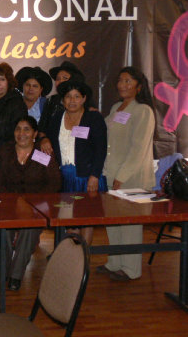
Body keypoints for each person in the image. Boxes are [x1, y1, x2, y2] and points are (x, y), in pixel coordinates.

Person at [99, 67, 155, 281]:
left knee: (130, 224)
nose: (123, 85)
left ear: (138, 86)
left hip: (132, 178)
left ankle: (131, 269)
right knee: (113, 222)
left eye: (128, 81)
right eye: (120, 80)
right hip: (112, 174)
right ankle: (115, 263)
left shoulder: (143, 111)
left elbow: (137, 149)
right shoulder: (115, 108)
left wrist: (121, 176)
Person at [0, 116, 61, 290]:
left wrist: (33, 203)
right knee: (5, 232)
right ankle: (3, 271)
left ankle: (16, 274)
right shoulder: (6, 151)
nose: (21, 133)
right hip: (9, 204)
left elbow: (54, 182)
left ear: (35, 133)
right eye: (18, 129)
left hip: (36, 207)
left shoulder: (41, 153)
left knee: (29, 230)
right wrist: (10, 203)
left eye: (26, 129)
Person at [45, 79, 108, 244]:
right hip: (65, 178)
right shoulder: (57, 117)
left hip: (87, 177)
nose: (72, 101)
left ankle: (83, 262)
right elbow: (46, 134)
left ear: (84, 99)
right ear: (63, 100)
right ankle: (70, 258)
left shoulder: (93, 118)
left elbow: (101, 149)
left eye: (77, 96)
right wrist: (44, 139)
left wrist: (94, 176)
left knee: (86, 221)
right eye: (68, 97)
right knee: (69, 222)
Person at [39, 61, 87, 135]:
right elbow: (42, 128)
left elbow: (88, 132)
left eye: (65, 78)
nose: (61, 81)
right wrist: (44, 139)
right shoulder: (51, 101)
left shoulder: (85, 102)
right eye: (58, 79)